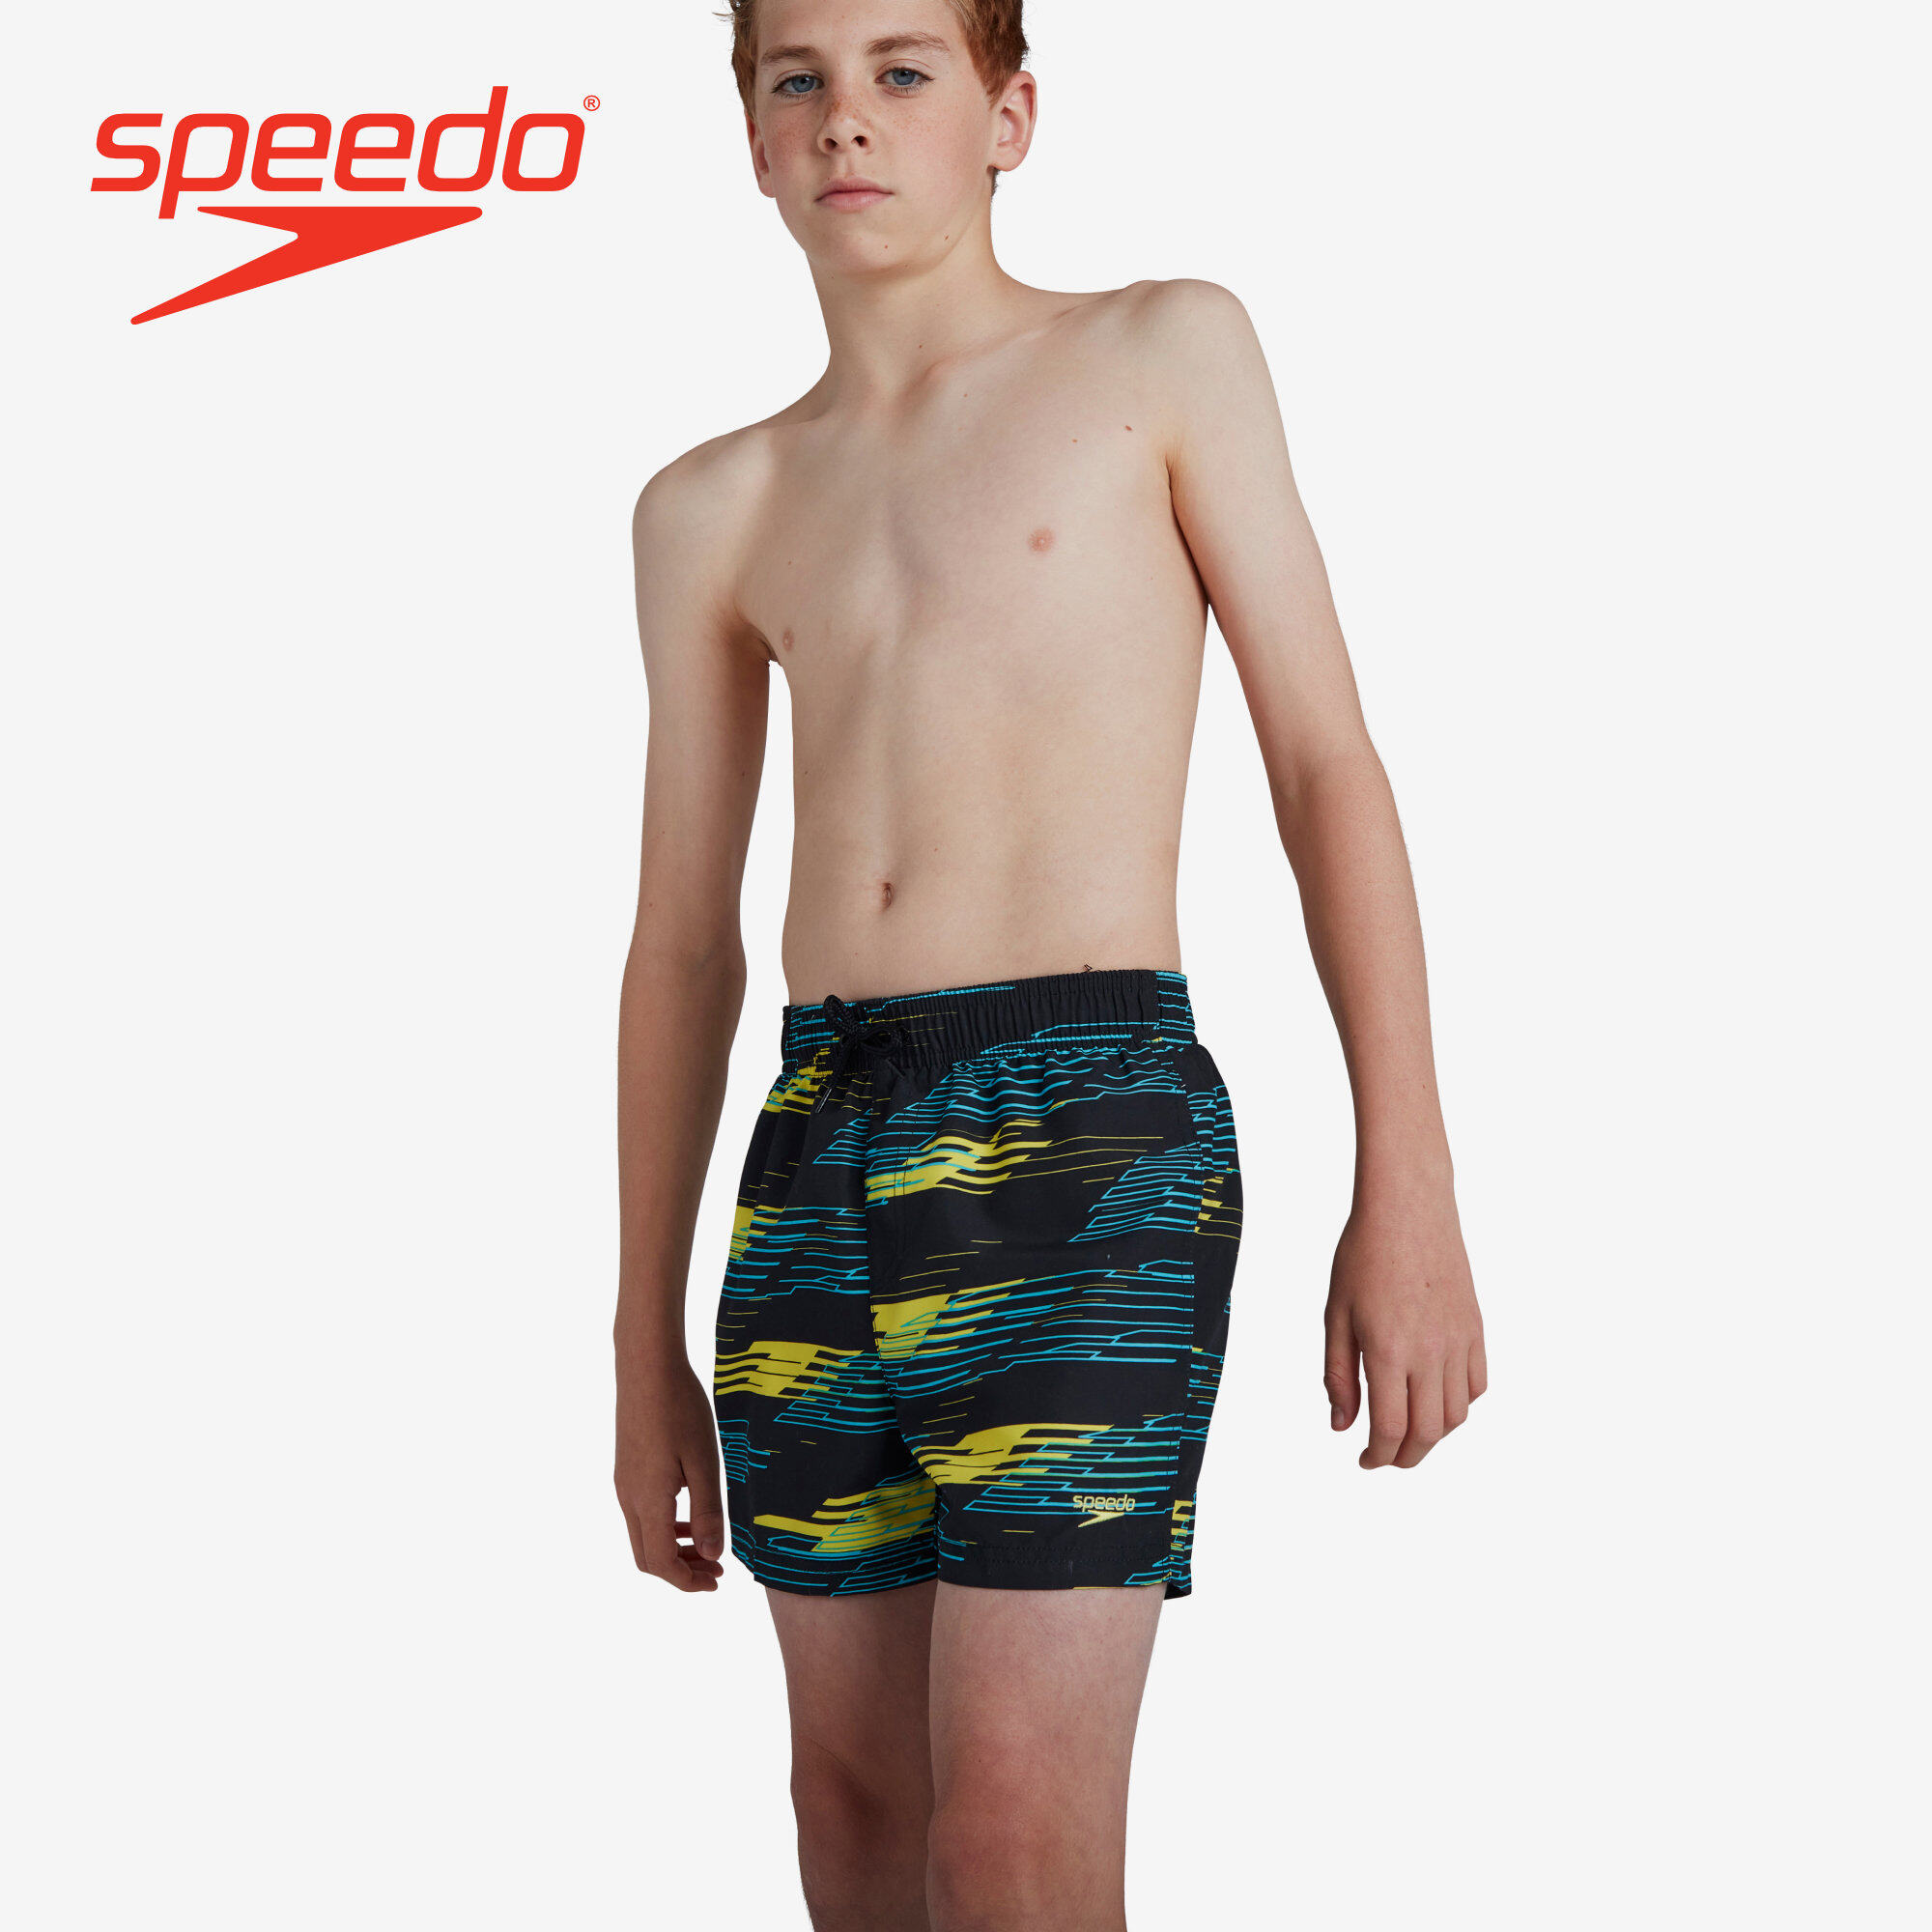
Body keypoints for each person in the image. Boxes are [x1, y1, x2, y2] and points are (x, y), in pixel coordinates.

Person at [612, 1, 1487, 1924]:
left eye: (902, 70)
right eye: (796, 80)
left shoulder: (1157, 353)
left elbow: (1324, 761)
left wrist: (1407, 1177)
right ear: (751, 140)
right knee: (850, 1807)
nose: (846, 118)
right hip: (814, 1151)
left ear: (1010, 114)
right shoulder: (708, 506)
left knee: (1010, 1835)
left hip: (1083, 1125)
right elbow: (680, 942)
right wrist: (638, 1340)